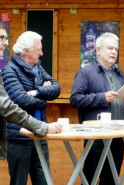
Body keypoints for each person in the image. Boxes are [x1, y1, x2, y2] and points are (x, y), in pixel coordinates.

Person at [70, 32, 124, 185]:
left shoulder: (121, 74)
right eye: (110, 48)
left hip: (119, 134)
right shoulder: (85, 73)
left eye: (116, 49)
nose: (114, 52)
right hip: (96, 135)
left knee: (111, 179)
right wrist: (101, 97)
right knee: (90, 178)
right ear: (98, 50)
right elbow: (75, 100)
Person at [1, 31, 61, 185]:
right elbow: (20, 100)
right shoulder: (9, 71)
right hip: (19, 138)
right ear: (26, 51)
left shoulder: (38, 68)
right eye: (38, 49)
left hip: (41, 136)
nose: (41, 53)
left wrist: (37, 92)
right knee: (19, 182)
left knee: (44, 181)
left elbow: (56, 88)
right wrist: (44, 100)